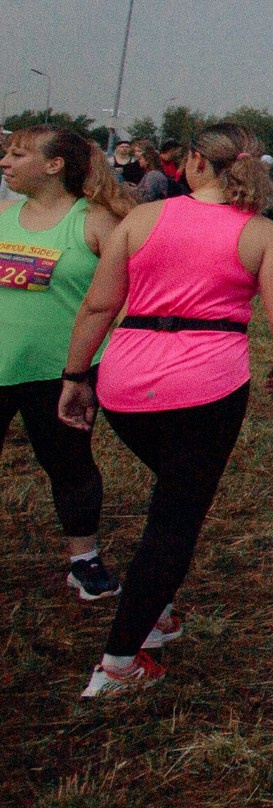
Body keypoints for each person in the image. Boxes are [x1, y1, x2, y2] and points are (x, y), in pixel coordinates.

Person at [59, 122, 273, 698]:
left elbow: (100, 303)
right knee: (175, 518)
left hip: (125, 382)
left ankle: (159, 612)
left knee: (172, 488)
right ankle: (121, 661)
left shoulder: (142, 219)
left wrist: (76, 375)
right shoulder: (264, 234)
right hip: (206, 387)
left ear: (194, 162)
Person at [1, 126, 130, 603]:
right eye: (6, 153)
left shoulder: (95, 222)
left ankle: (84, 560)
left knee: (69, 466)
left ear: (54, 165)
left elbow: (136, 290)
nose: (6, 162)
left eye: (19, 154)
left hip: (61, 374)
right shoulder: (3, 216)